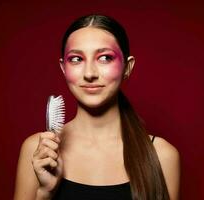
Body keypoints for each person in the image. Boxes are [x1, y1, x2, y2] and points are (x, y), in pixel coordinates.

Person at [13, 14, 180, 200]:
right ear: (63, 68)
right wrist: (44, 193)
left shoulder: (162, 156)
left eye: (105, 58)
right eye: (76, 59)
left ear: (127, 67)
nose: (89, 73)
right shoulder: (38, 151)